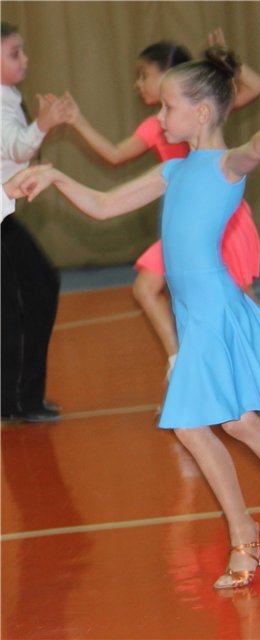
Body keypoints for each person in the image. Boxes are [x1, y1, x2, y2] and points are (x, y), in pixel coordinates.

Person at [21, 45, 260, 588]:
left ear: (202, 112)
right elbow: (105, 206)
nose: (160, 117)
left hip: (213, 310)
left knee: (192, 424)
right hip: (195, 312)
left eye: (168, 107)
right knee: (238, 422)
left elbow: (252, 148)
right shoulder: (175, 170)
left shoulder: (224, 167)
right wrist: (56, 177)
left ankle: (248, 535)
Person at [64, 29, 260, 378]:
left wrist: (228, 61)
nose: (139, 84)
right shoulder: (156, 126)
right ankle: (180, 365)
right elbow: (115, 156)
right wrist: (76, 121)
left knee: (240, 295)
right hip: (184, 226)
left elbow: (255, 88)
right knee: (146, 288)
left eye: (144, 74)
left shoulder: (202, 110)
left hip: (219, 222)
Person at [1, 21, 69, 423]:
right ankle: (14, 399)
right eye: (14, 53)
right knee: (19, 301)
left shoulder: (8, 94)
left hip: (4, 212)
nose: (24, 59)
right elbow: (15, 146)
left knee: (37, 287)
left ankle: (21, 397)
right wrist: (42, 123)